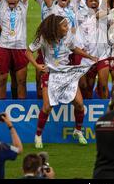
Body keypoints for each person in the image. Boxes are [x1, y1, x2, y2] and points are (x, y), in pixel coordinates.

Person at [26, 15, 97, 148]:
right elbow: (28, 52)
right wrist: (37, 65)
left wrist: (89, 56)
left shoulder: (68, 37)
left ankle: (77, 131)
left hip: (66, 74)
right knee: (47, 107)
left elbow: (73, 48)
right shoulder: (44, 38)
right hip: (51, 74)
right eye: (64, 26)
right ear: (56, 28)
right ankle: (38, 136)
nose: (67, 28)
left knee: (80, 104)